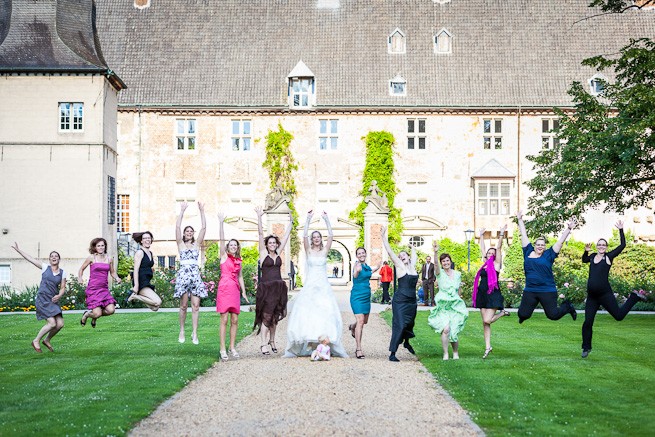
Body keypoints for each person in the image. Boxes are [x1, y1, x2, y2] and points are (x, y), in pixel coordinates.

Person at [581, 220, 649, 358]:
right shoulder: (593, 256)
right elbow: (584, 260)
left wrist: (621, 230)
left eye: (603, 245)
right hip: (592, 297)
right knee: (587, 322)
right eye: (599, 245)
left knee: (618, 316)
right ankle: (586, 348)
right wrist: (585, 251)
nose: (601, 247)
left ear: (606, 247)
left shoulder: (609, 257)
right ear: (596, 246)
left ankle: (634, 297)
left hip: (605, 294)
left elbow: (623, 245)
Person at [284, 210, 348, 358]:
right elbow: (304, 236)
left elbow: (331, 236)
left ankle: (325, 343)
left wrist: (326, 220)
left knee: (325, 312)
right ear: (312, 240)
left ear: (321, 239)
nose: (316, 239)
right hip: (311, 285)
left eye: (318, 237)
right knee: (308, 312)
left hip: (323, 286)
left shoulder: (325, 251)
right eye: (314, 237)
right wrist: (307, 220)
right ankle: (311, 342)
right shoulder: (308, 250)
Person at [516, 210, 578, 323]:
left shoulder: (549, 254)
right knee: (522, 314)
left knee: (553, 315)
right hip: (530, 289)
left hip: (547, 290)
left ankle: (567, 306)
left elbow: (560, 242)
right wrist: (520, 220)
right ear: (534, 245)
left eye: (542, 245)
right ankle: (523, 316)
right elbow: (524, 235)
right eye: (538, 244)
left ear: (545, 247)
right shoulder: (527, 251)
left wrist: (568, 229)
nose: (540, 246)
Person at [11, 243, 66, 353]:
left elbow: (63, 287)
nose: (54, 257)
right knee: (52, 323)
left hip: (53, 300)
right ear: (49, 259)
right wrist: (18, 250)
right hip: (43, 299)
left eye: (56, 256)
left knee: (60, 324)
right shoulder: (45, 267)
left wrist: (59, 295)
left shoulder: (63, 272)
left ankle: (47, 340)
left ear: (59, 259)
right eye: (52, 256)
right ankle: (36, 340)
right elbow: (30, 259)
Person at [254, 206, 293, 355]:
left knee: (275, 317)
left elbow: (287, 235)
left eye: (274, 243)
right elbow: (259, 234)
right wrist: (259, 217)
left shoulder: (278, 252)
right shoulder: (263, 253)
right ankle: (263, 344)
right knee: (266, 315)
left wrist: (291, 220)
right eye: (269, 243)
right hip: (266, 289)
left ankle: (272, 340)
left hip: (278, 288)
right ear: (266, 244)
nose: (272, 245)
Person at [380, 225, 418, 362]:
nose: (402, 257)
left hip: (412, 301)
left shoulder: (412, 267)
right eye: (400, 256)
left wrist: (412, 247)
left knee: (409, 323)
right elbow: (390, 252)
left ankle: (407, 342)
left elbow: (414, 254)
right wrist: (383, 237)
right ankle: (392, 353)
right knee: (400, 324)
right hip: (400, 301)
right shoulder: (400, 267)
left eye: (404, 255)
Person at [473, 226, 510, 359]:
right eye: (488, 253)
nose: (489, 254)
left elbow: (499, 248)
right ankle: (488, 347)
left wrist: (501, 234)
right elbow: (482, 248)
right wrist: (481, 235)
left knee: (488, 320)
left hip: (493, 294)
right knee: (485, 322)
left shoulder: (496, 264)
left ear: (495, 255)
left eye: (492, 253)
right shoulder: (485, 264)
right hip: (482, 293)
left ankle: (502, 313)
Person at [216, 211, 249, 361]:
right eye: (231, 245)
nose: (233, 247)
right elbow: (221, 241)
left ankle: (232, 347)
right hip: (224, 288)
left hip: (235, 289)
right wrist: (221, 223)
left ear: (237, 247)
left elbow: (240, 276)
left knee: (235, 320)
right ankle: (222, 349)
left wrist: (243, 292)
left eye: (235, 245)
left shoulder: (239, 261)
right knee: (224, 319)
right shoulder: (223, 257)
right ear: (228, 247)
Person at [173, 201, 208, 345]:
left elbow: (204, 228)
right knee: (183, 306)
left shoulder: (197, 245)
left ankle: (194, 332)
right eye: (187, 231)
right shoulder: (180, 244)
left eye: (191, 231)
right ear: (184, 233)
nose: (189, 233)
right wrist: (182, 211)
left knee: (196, 306)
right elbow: (177, 226)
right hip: (183, 276)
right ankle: (182, 330)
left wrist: (201, 211)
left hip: (194, 276)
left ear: (193, 233)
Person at [428, 242, 469, 360]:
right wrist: (435, 252)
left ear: (450, 261)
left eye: (447, 261)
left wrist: (460, 299)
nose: (446, 263)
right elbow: (435, 264)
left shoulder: (457, 274)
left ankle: (455, 352)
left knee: (454, 331)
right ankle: (446, 353)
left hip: (455, 306)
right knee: (446, 329)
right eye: (443, 261)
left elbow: (459, 290)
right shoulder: (439, 274)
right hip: (443, 307)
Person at [78, 238, 121, 328]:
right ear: (95, 247)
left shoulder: (109, 259)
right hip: (93, 289)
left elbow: (112, 272)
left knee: (111, 310)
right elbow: (81, 269)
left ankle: (94, 316)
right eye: (98, 246)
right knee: (97, 314)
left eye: (102, 245)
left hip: (104, 289)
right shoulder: (91, 258)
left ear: (105, 246)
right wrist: (80, 278)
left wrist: (117, 278)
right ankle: (86, 315)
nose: (101, 247)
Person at [348, 247, 381, 359]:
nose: (361, 255)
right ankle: (358, 349)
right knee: (361, 321)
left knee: (364, 321)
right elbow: (356, 275)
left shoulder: (366, 266)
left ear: (365, 254)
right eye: (359, 253)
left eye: (363, 253)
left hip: (366, 296)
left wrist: (377, 267)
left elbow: (370, 272)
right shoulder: (357, 266)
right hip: (357, 296)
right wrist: (356, 271)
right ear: (357, 256)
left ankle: (353, 326)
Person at [126, 231, 162, 311]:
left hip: (147, 281)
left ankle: (136, 297)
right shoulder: (140, 252)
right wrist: (136, 286)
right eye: (145, 238)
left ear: (151, 240)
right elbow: (136, 270)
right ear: (141, 241)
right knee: (158, 302)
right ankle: (134, 296)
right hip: (141, 282)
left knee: (155, 307)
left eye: (149, 238)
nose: (147, 240)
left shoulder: (150, 253)